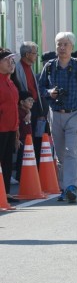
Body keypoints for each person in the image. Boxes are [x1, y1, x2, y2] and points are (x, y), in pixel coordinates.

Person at [38, 32, 77, 202]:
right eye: (59, 44)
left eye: (65, 44)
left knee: (71, 150)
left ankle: (71, 186)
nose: (62, 47)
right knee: (60, 155)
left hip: (75, 113)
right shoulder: (49, 66)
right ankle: (64, 187)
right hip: (55, 114)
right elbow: (40, 88)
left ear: (72, 47)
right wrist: (49, 92)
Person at [13, 41, 44, 163]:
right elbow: (20, 91)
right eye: (35, 53)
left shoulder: (30, 68)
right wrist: (26, 109)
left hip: (34, 106)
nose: (36, 56)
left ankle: (33, 167)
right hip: (24, 108)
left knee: (34, 138)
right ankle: (22, 171)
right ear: (26, 54)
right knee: (25, 139)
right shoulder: (17, 68)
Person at [0, 49, 20, 199]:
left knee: (7, 162)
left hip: (11, 128)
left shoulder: (11, 82)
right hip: (1, 128)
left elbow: (14, 106)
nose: (11, 63)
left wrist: (17, 128)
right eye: (7, 60)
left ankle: (5, 192)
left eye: (12, 60)